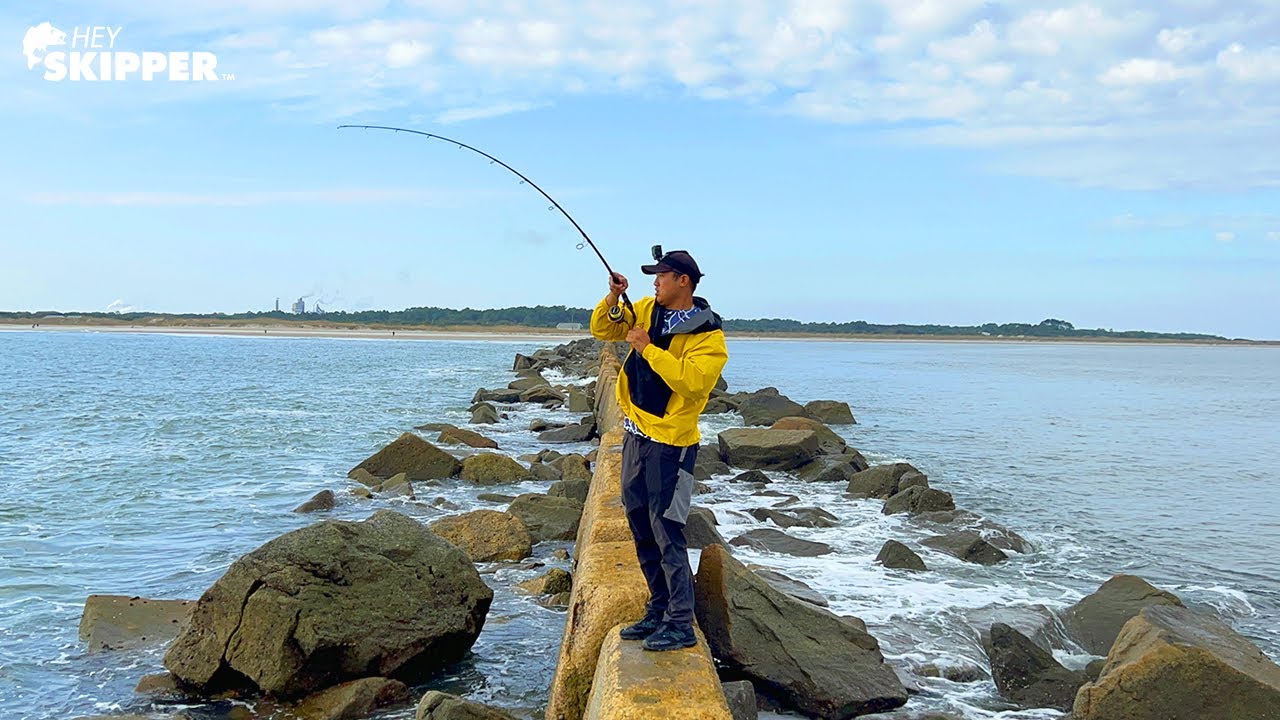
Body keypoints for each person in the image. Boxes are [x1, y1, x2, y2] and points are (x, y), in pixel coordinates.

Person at [589, 249, 728, 651]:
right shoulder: (647, 308)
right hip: (636, 434)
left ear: (683, 280)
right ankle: (658, 608)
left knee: (667, 530)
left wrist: (649, 349)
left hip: (672, 445)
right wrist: (614, 298)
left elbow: (694, 384)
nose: (655, 282)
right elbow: (604, 329)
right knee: (639, 522)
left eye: (662, 276)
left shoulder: (709, 336)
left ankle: (681, 623)